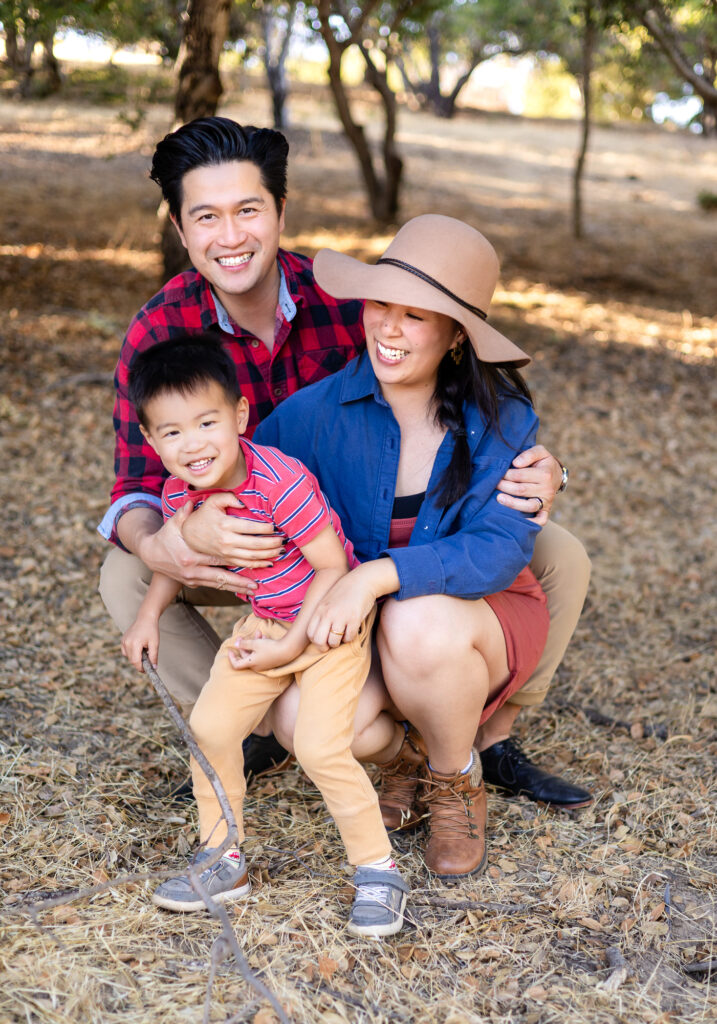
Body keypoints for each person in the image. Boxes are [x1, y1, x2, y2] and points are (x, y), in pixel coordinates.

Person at [98, 115, 590, 804]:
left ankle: (487, 736)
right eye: (206, 217)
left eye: (248, 210)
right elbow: (134, 483)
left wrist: (551, 472)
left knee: (557, 550)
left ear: (279, 212)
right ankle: (262, 715)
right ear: (181, 231)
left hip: (363, 533)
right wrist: (178, 534)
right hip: (265, 538)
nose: (230, 236)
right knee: (126, 571)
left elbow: (464, 398)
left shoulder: (349, 300)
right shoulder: (162, 330)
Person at [253, 214, 583, 878]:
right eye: (381, 304)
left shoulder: (502, 422)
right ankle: (404, 761)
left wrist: (376, 575)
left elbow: (494, 551)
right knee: (300, 721)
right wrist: (195, 522)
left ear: (456, 334)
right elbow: (247, 487)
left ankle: (453, 776)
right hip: (359, 627)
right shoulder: (308, 415)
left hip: (469, 621)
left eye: (417, 316)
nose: (389, 328)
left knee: (417, 618)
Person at [121, 335, 407, 936]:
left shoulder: (280, 479)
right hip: (265, 622)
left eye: (206, 422)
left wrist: (292, 646)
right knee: (210, 729)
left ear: (240, 416)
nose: (193, 444)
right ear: (150, 441)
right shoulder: (180, 495)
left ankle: (378, 870)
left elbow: (332, 568)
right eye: (171, 432)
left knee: (320, 744)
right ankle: (224, 857)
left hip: (328, 619)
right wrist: (148, 616)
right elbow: (172, 564)